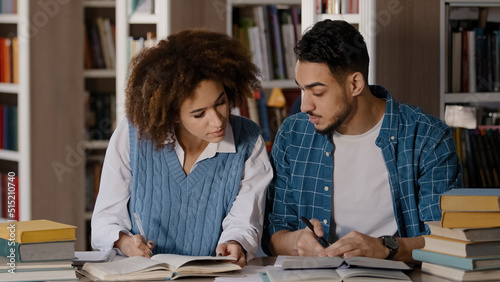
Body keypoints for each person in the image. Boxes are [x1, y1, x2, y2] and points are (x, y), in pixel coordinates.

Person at [263, 20, 463, 262]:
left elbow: (448, 239)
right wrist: (295, 242)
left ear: (355, 84)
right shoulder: (292, 135)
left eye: (317, 92)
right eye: (302, 90)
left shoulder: (428, 137)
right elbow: (273, 232)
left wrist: (386, 247)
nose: (305, 106)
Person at [91, 29, 273, 267]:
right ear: (173, 116)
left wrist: (236, 243)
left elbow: (245, 220)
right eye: (199, 114)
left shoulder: (248, 138)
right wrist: (124, 242)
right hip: (146, 275)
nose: (218, 121)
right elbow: (105, 220)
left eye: (221, 102)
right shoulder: (133, 133)